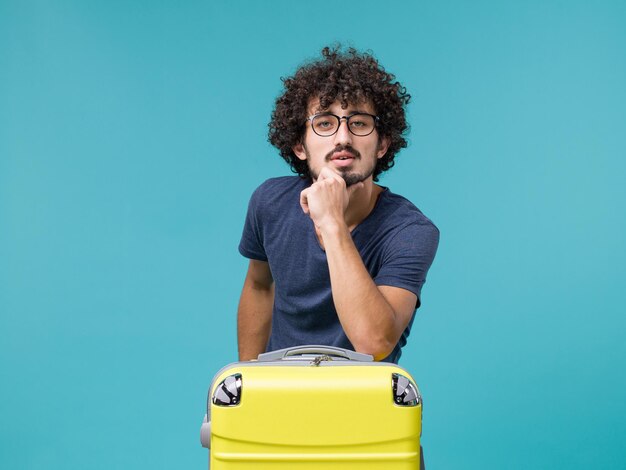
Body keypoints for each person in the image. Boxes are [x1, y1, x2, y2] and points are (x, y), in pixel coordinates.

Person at [237, 46, 439, 364]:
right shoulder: (270, 202)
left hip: (364, 402)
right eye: (325, 123)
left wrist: (332, 222)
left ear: (382, 144)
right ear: (299, 145)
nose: (342, 137)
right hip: (278, 395)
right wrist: (247, 383)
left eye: (358, 123)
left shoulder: (411, 231)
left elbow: (374, 342)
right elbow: (259, 286)